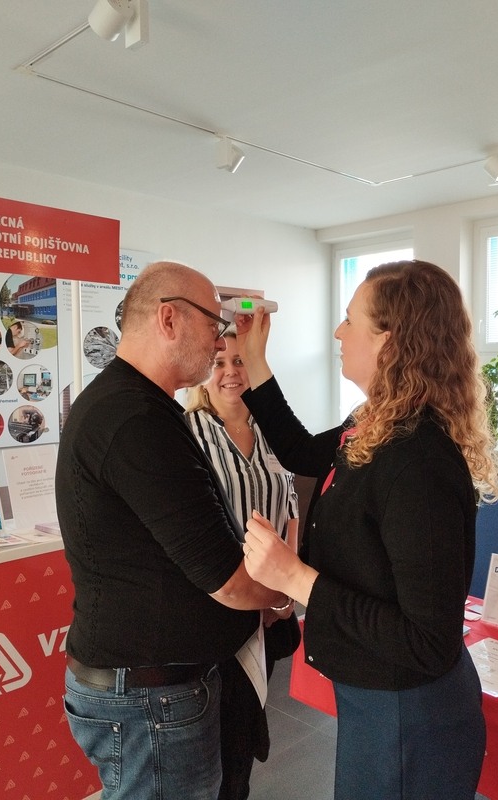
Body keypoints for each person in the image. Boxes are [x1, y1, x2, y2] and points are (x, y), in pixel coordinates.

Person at [236, 259, 498, 800]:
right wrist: (255, 362)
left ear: (390, 340)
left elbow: (428, 641)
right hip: (378, 695)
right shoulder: (376, 423)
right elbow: (304, 452)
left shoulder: (418, 459)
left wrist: (295, 577)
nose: (338, 332)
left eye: (350, 320)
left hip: (410, 712)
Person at [55, 261, 292, 800]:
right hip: (150, 696)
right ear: (169, 319)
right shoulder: (134, 419)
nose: (219, 341)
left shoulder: (136, 406)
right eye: (213, 324)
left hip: (149, 684)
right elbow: (226, 580)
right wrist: (285, 593)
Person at [184, 330, 300, 800]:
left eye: (239, 361)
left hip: (269, 611)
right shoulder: (189, 433)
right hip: (218, 608)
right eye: (219, 362)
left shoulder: (272, 430)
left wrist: (286, 591)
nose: (231, 372)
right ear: (203, 374)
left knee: (246, 730)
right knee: (215, 736)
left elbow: (291, 509)